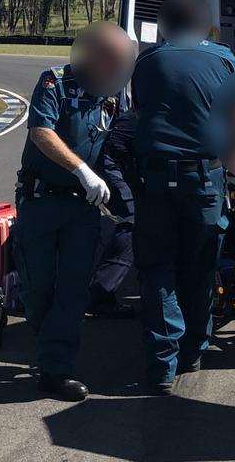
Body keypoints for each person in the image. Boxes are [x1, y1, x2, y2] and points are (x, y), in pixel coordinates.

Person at [13, 22, 136, 401]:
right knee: (36, 287)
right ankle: (49, 339)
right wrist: (81, 170)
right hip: (41, 201)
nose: (119, 70)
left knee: (73, 287)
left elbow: (118, 142)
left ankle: (55, 370)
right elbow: (40, 131)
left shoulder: (113, 96)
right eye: (113, 61)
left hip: (83, 208)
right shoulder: (54, 83)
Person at [132, 0, 235, 395]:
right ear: (204, 24)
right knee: (200, 266)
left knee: (159, 269)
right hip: (205, 180)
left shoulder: (146, 62)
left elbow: (140, 112)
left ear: (164, 25)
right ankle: (193, 349)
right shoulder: (226, 61)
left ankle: (162, 364)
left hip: (157, 181)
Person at [87, 100, 138, 319]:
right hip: (111, 162)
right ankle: (101, 293)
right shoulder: (151, 114)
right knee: (131, 220)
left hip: (117, 158)